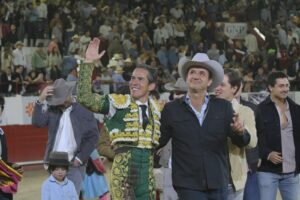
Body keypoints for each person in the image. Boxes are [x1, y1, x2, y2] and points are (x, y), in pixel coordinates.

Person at [77, 38, 161, 200]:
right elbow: (84, 97)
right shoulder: (117, 103)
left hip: (147, 175)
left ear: (152, 86)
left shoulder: (158, 109)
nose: (134, 82)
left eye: (140, 79)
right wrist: (88, 63)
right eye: (132, 78)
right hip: (123, 174)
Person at [159, 53, 251, 200]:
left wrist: (240, 132)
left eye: (202, 73)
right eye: (192, 72)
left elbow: (242, 141)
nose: (196, 76)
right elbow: (159, 140)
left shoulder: (224, 107)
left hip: (218, 182)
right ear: (186, 77)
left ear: (209, 82)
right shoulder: (172, 109)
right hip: (187, 184)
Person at [32, 78, 99, 195]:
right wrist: (40, 100)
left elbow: (93, 136)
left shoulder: (84, 109)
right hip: (54, 163)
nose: (59, 103)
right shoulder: (53, 109)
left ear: (69, 94)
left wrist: (79, 158)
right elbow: (38, 122)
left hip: (74, 163)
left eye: (61, 100)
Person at [256, 71, 300, 200]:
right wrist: (267, 154)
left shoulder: (296, 109)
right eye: (281, 86)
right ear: (270, 87)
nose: (285, 89)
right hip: (267, 172)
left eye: (287, 85)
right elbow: (255, 138)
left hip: (292, 172)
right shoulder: (259, 109)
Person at [214, 68, 257, 200]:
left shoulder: (245, 111)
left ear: (234, 88)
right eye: (215, 84)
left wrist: (241, 131)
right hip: (208, 181)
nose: (217, 88)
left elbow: (252, 143)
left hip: (233, 182)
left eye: (222, 84)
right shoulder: (206, 109)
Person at [0, 96, 23, 200]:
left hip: (3, 181)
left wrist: (11, 166)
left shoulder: (1, 133)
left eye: (0, 107)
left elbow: (2, 160)